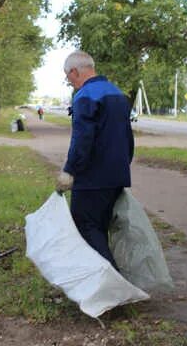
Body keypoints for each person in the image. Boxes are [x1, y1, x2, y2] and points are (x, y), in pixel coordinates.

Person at [55, 50, 134, 269]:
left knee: (86, 228)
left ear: (74, 71)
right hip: (116, 177)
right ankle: (102, 285)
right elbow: (128, 139)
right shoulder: (117, 94)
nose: (69, 82)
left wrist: (70, 170)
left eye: (67, 77)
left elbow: (82, 139)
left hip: (92, 179)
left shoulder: (85, 95)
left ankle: (112, 286)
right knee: (100, 229)